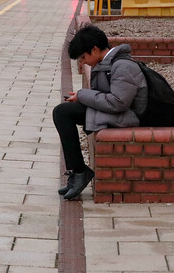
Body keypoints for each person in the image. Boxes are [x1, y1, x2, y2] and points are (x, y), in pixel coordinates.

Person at [53, 25, 148, 200]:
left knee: (63, 113)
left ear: (95, 49)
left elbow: (118, 102)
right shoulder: (107, 63)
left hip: (129, 116)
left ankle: (80, 172)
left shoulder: (122, 67)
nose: (83, 63)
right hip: (119, 111)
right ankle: (78, 171)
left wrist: (83, 95)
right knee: (62, 112)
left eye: (83, 57)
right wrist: (82, 97)